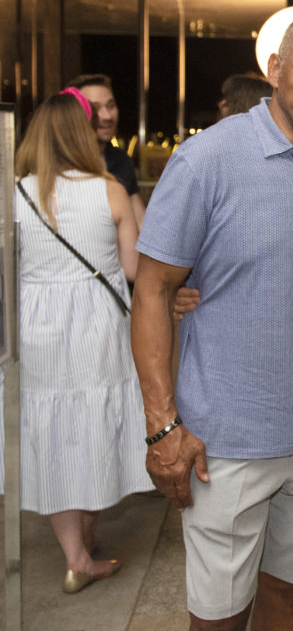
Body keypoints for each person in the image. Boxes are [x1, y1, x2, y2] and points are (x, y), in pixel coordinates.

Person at [131, 11, 293, 631]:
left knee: (290, 598)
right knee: (220, 616)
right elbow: (152, 289)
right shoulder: (205, 160)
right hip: (224, 441)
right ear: (275, 70)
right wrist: (163, 427)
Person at [15, 89, 153, 593]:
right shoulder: (110, 190)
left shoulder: (16, 192)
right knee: (94, 422)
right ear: (80, 134)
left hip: (37, 325)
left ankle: (75, 550)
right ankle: (82, 547)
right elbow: (138, 268)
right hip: (96, 321)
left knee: (51, 428)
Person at [66, 73, 147, 228]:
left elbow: (140, 221)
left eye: (111, 106)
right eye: (95, 108)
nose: (107, 116)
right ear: (74, 114)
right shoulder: (64, 162)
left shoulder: (120, 160)